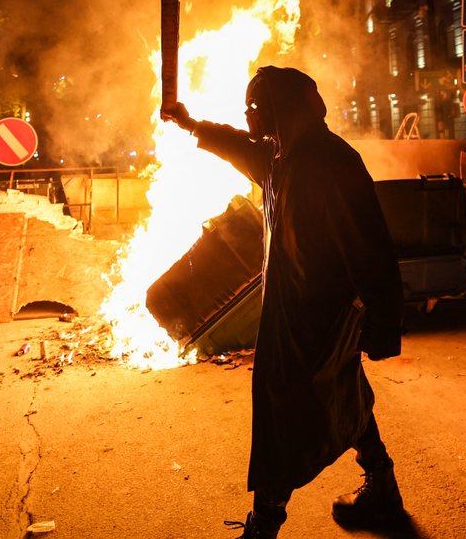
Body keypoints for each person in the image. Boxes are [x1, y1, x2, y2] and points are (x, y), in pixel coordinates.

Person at [161, 66, 406, 538]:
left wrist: (383, 324)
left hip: (320, 318)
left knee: (282, 415)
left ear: (280, 109)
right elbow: (238, 146)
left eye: (254, 109)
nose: (248, 118)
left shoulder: (332, 163)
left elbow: (371, 251)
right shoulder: (281, 158)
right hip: (292, 312)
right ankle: (383, 484)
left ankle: (265, 523)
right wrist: (191, 124)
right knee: (344, 394)